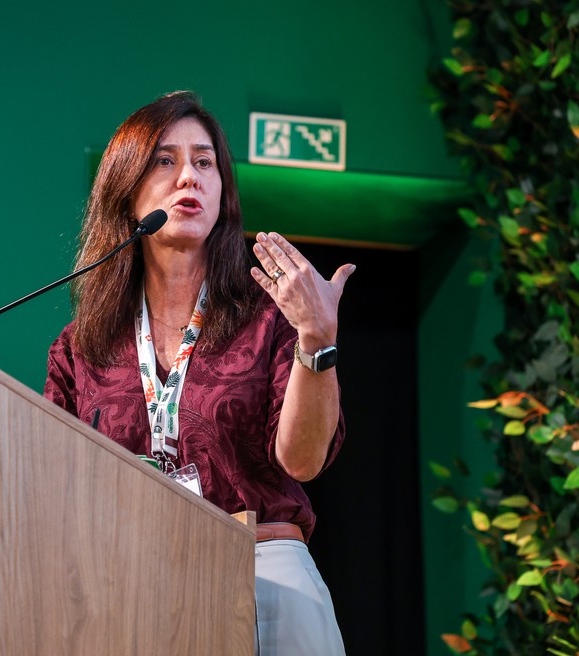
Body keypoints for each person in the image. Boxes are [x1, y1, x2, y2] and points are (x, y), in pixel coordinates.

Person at [44, 90, 353, 655]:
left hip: (265, 582)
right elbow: (56, 495)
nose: (189, 177)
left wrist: (317, 341)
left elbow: (303, 462)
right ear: (126, 188)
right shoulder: (80, 348)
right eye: (165, 161)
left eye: (204, 162)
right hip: (130, 591)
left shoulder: (270, 317)